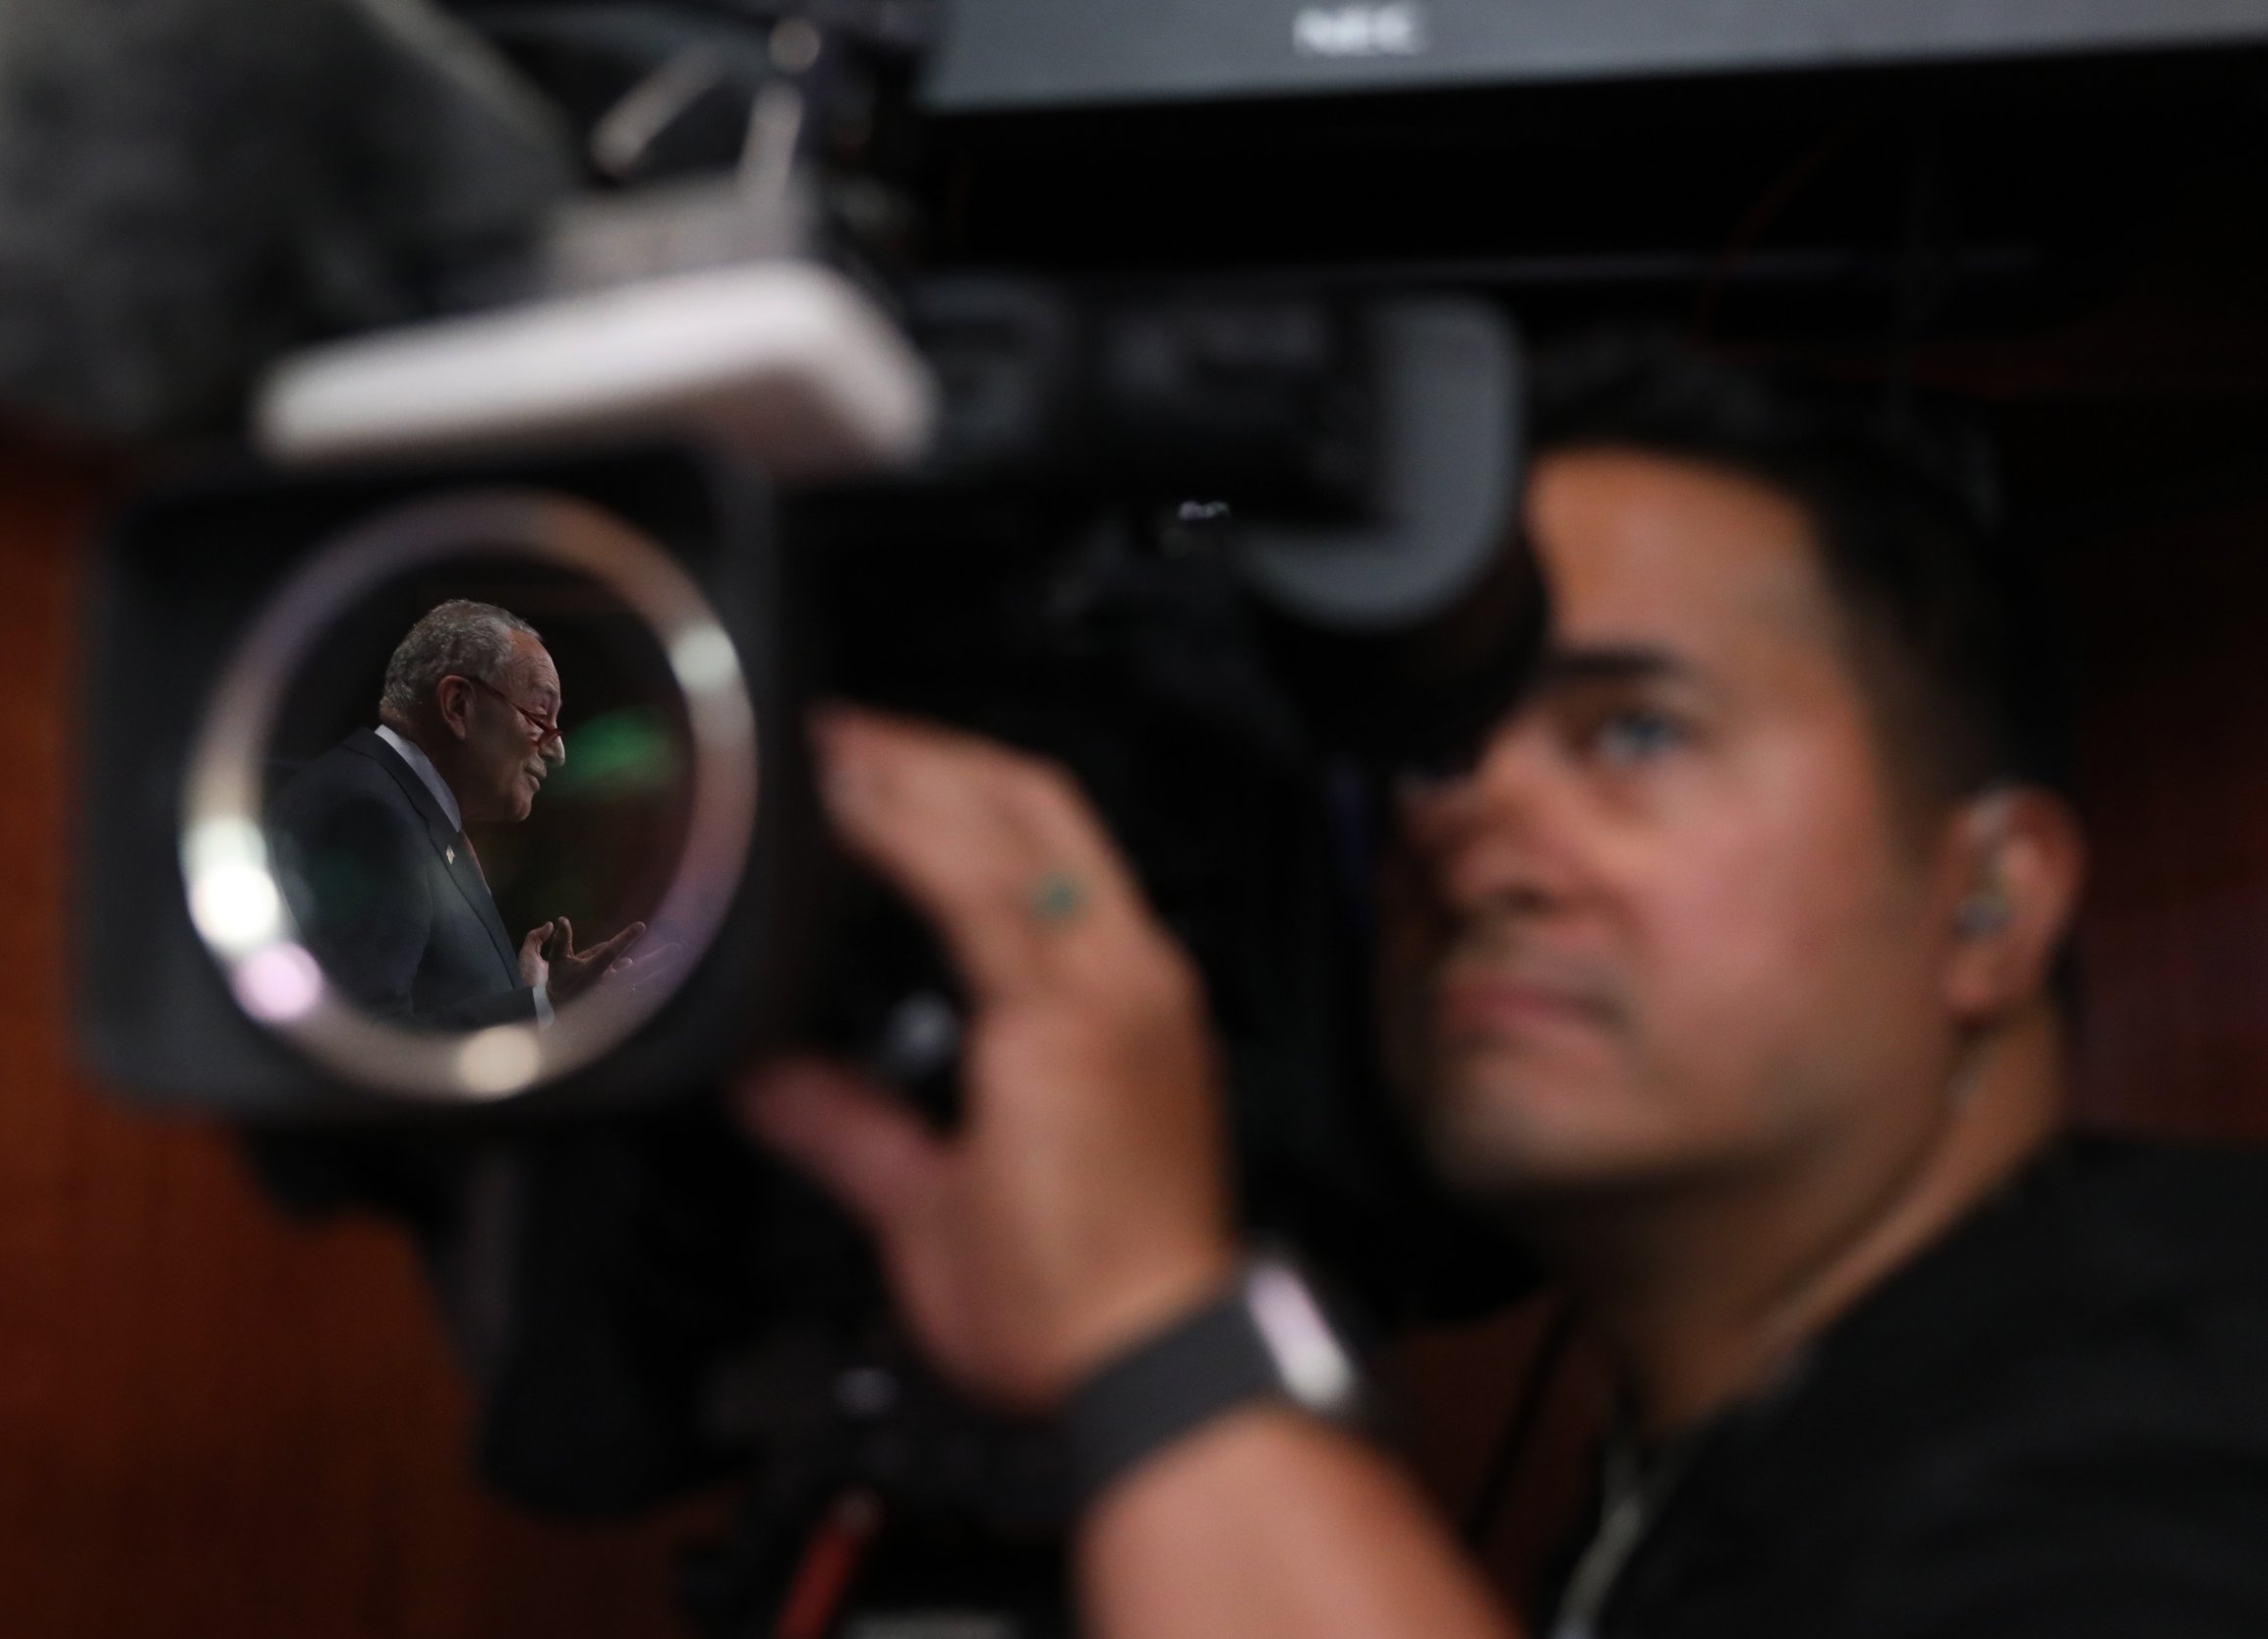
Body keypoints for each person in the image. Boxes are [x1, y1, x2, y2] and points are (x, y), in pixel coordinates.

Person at [737, 340, 2268, 1638]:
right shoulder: (1733, 1478)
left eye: (1635, 733)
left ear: (1988, 895)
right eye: (1441, 745)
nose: (1470, 834)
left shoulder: (2181, 1426)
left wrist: (1159, 1338)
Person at [268, 597, 635, 1029]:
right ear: (459, 705)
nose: (557, 750)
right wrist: (543, 1006)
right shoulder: (368, 813)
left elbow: (427, 1000)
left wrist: (517, 993)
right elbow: (369, 1044)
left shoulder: (403, 805)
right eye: (540, 716)